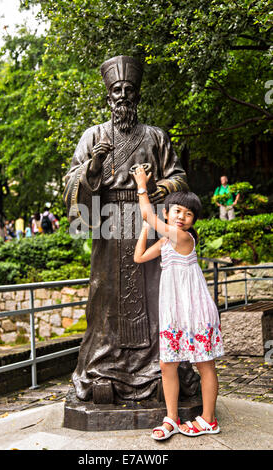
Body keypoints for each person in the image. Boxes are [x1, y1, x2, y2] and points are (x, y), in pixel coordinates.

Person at [63, 55, 192, 404]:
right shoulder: (93, 136)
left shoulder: (155, 136)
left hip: (147, 222)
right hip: (108, 226)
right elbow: (71, 182)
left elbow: (178, 176)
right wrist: (94, 165)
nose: (122, 95)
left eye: (128, 90)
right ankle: (104, 369)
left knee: (154, 294)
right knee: (103, 295)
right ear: (108, 97)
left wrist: (157, 189)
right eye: (116, 90)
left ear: (136, 96)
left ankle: (158, 368)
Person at [133, 165, 224, 440]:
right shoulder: (166, 240)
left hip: (195, 310)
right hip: (174, 311)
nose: (183, 217)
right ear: (167, 213)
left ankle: (209, 419)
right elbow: (139, 257)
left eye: (189, 214)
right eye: (177, 211)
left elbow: (146, 211)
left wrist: (141, 185)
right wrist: (147, 227)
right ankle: (172, 417)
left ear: (193, 220)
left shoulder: (183, 237)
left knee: (204, 364)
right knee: (167, 364)